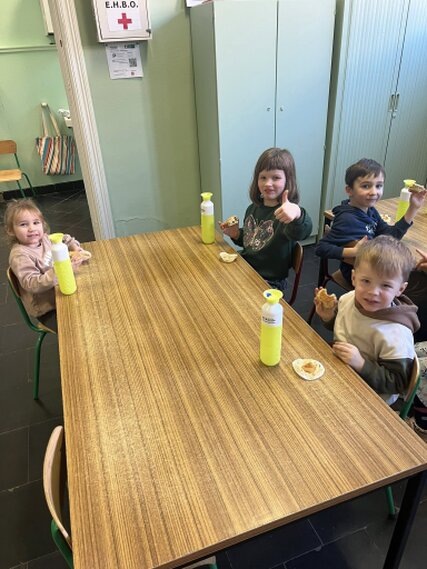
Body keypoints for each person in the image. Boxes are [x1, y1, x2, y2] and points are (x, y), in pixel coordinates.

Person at [314, 235, 420, 405]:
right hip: (340, 373)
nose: (373, 292)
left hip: (370, 399)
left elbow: (398, 383)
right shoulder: (348, 299)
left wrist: (361, 363)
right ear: (354, 278)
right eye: (366, 281)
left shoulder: (397, 334)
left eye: (385, 285)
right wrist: (328, 316)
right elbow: (344, 326)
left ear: (400, 289)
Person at [315, 158, 427, 286]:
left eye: (378, 186)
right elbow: (321, 248)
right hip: (359, 275)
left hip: (372, 269)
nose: (374, 192)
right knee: (416, 281)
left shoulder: (370, 211)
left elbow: (390, 236)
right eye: (365, 186)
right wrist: (353, 252)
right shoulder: (347, 220)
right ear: (349, 190)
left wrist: (413, 208)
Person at [219, 147, 312, 292]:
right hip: (246, 269)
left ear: (288, 181)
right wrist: (236, 234)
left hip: (270, 281)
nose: (268, 183)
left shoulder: (286, 215)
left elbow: (301, 231)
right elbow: (251, 242)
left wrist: (297, 213)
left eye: (276, 178)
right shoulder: (252, 208)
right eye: (263, 177)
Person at [4, 198, 84, 332]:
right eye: (23, 224)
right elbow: (32, 283)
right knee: (75, 329)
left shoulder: (45, 239)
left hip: (60, 290)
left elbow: (64, 238)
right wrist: (61, 271)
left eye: (36, 222)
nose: (32, 229)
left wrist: (74, 248)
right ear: (11, 230)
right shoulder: (20, 256)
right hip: (47, 308)